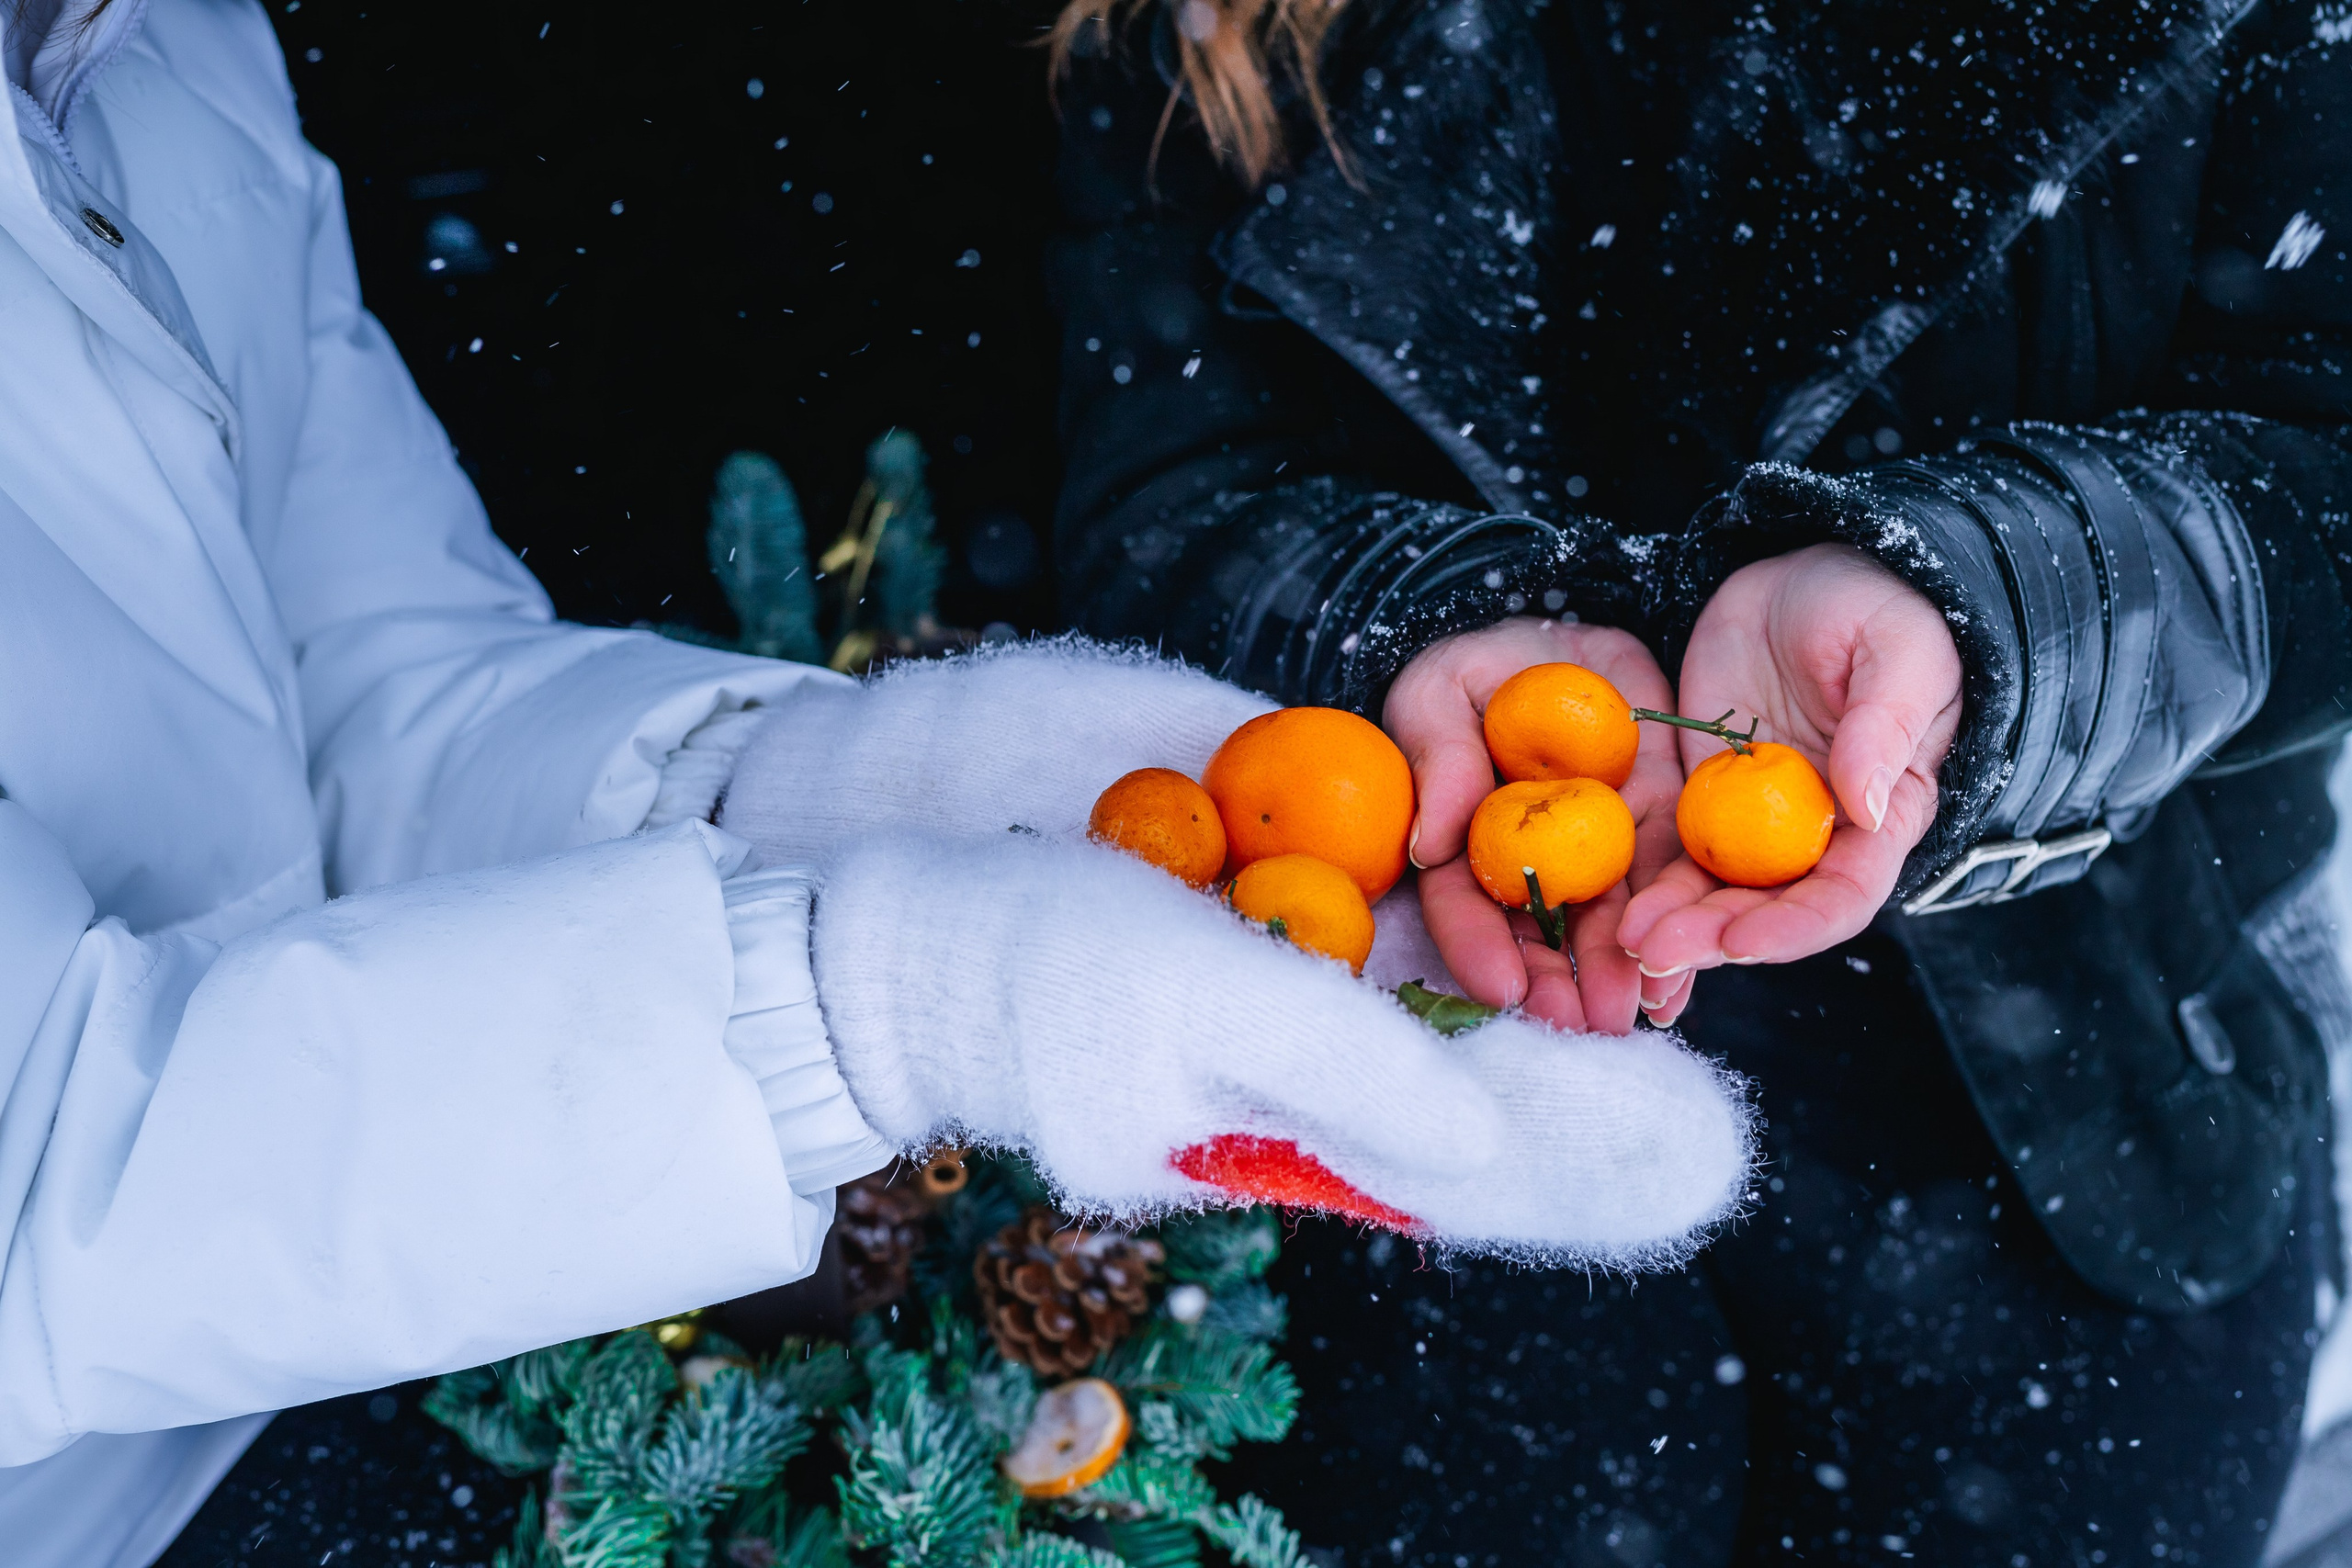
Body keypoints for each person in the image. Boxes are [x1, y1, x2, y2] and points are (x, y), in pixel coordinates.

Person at [0, 3, 1755, 1564]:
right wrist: (872, 993)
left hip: (321, 1332)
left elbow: (367, 684)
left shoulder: (140, 41)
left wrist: (844, 793)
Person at [1047, 0, 2352, 1561]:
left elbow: (2323, 463)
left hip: (2080, 1095)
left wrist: (1982, 609)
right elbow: (1168, 499)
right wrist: (1437, 618)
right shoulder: (1215, 31)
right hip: (1442, 1059)